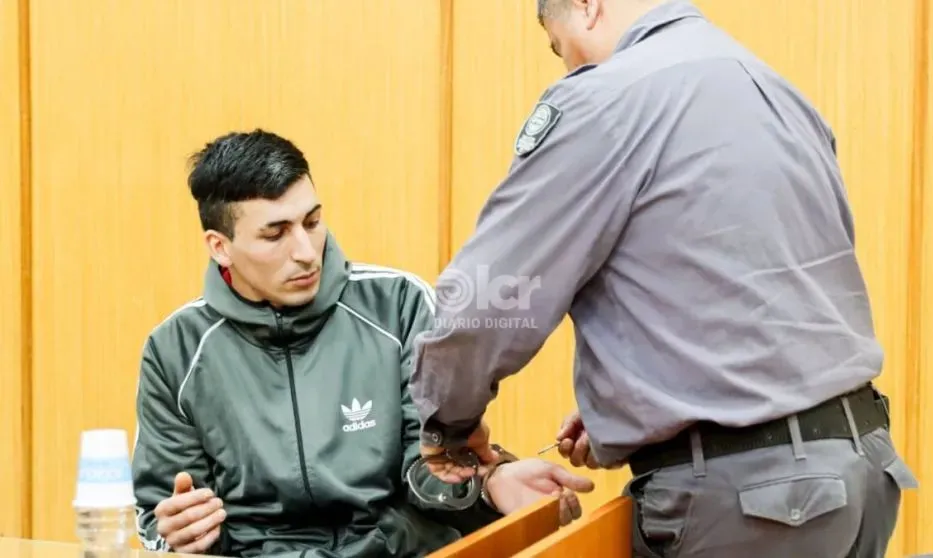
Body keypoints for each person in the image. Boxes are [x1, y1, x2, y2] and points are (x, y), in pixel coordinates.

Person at [407, 1, 918, 557]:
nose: (567, 70)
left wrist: (448, 426)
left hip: (753, 504)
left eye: (561, 49)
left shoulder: (606, 98)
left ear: (586, 6)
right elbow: (769, 287)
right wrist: (633, 399)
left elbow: (490, 299)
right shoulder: (772, 87)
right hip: (861, 468)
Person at [130, 129, 594, 558]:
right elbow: (156, 517)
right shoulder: (176, 350)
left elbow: (428, 462)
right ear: (220, 246)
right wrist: (177, 534)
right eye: (275, 233)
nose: (307, 252)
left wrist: (489, 483)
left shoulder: (398, 305)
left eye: (312, 221)